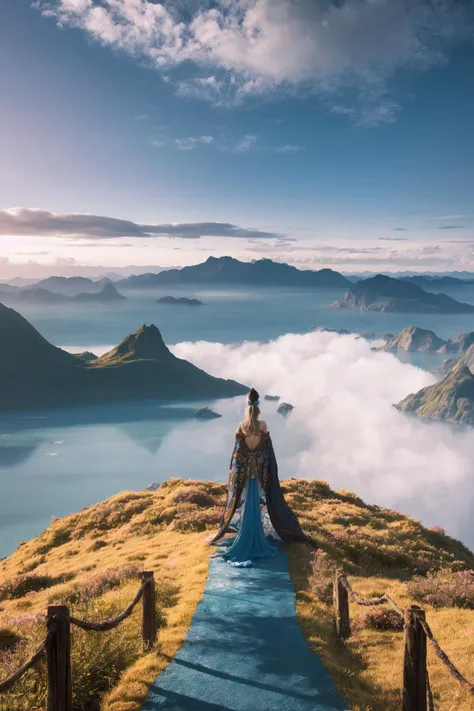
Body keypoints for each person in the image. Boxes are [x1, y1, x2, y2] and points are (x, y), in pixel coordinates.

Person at [212, 388, 309, 567]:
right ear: (258, 408)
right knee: (256, 501)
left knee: (248, 502)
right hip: (259, 473)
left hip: (245, 473)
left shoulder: (241, 427)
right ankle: (255, 534)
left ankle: (246, 533)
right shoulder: (263, 426)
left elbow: (237, 454)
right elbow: (267, 451)